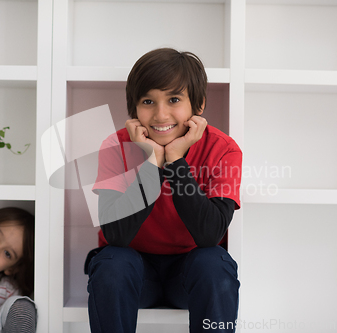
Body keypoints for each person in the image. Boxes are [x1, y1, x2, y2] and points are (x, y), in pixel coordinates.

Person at [86, 48, 242, 333]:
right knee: (111, 262)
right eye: (148, 101)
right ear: (134, 109)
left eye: (174, 99)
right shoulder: (116, 145)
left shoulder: (223, 149)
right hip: (133, 271)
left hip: (190, 273)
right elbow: (116, 235)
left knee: (214, 263)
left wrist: (176, 160)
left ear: (199, 104)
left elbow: (209, 235)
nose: (160, 114)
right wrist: (154, 162)